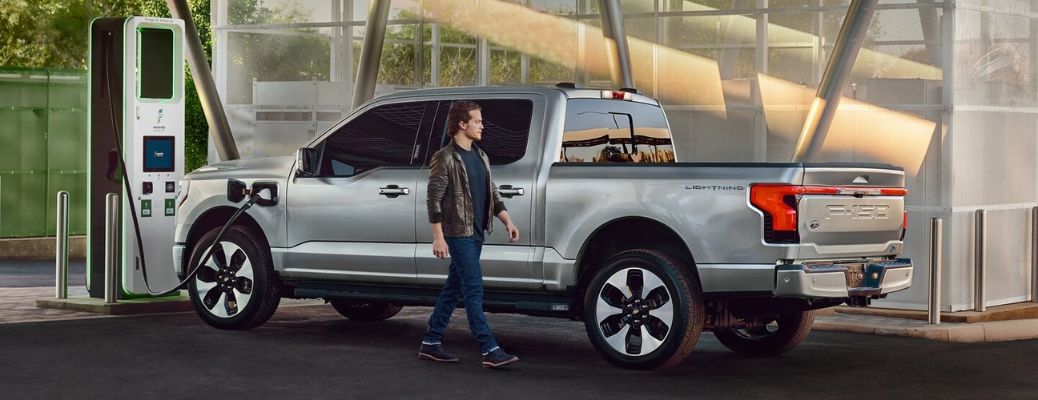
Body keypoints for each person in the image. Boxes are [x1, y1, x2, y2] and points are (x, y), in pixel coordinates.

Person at [418, 100, 521, 369]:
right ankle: (489, 348)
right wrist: (438, 237)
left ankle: (431, 341)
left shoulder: (480, 155)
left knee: (453, 288)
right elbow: (434, 200)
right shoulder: (445, 157)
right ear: (462, 125)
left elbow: (493, 192)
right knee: (473, 289)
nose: (482, 125)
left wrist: (506, 220)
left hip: (477, 233)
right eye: (477, 121)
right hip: (458, 233)